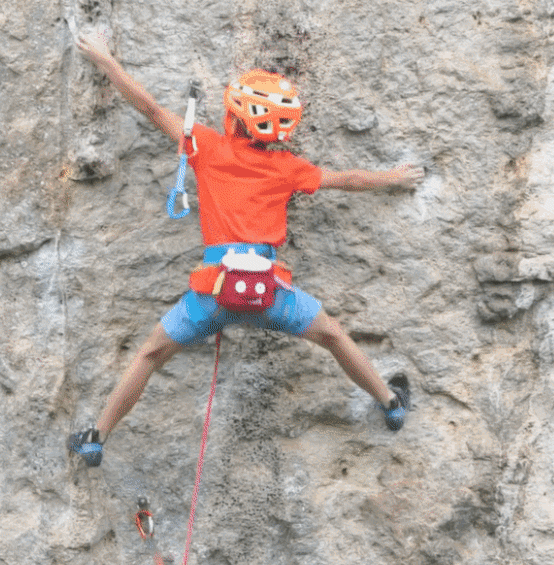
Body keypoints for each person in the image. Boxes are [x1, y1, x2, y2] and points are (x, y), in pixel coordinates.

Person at [69, 30, 424, 467]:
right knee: (333, 335)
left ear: (235, 117)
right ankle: (390, 402)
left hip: (213, 294)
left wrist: (105, 60)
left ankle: (96, 437)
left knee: (149, 355)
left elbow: (149, 108)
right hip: (269, 294)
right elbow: (347, 180)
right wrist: (394, 178)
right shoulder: (287, 167)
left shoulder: (207, 146)